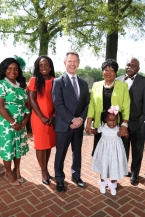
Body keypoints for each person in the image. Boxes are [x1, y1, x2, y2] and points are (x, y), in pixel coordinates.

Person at [52, 51, 90, 192]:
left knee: (77, 153)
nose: (72, 64)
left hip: (78, 126)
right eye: (70, 61)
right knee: (60, 153)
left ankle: (76, 176)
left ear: (78, 64)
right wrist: (72, 119)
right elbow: (58, 105)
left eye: (75, 61)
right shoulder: (58, 82)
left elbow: (87, 103)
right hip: (63, 125)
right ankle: (59, 179)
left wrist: (80, 119)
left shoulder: (84, 83)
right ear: (64, 63)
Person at [0, 57, 30, 186]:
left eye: (16, 69)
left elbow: (26, 105)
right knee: (8, 148)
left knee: (18, 148)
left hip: (20, 123)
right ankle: (8, 172)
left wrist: (24, 121)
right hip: (6, 124)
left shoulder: (21, 86)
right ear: (4, 70)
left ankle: (17, 170)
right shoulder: (0, 85)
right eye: (10, 68)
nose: (13, 71)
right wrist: (13, 122)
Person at [116, 57, 145, 185]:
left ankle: (135, 173)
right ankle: (124, 170)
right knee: (122, 149)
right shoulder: (117, 80)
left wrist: (143, 121)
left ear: (138, 68)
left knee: (137, 150)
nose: (130, 67)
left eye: (134, 65)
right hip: (122, 123)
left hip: (138, 123)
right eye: (128, 64)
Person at [85, 59, 130, 156]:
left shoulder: (123, 86)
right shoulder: (96, 85)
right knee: (101, 155)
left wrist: (124, 125)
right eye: (106, 70)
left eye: (112, 70)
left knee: (115, 156)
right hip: (100, 127)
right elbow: (92, 105)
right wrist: (88, 124)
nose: (108, 73)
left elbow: (126, 106)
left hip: (116, 127)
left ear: (115, 73)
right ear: (102, 72)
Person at [28, 55, 56, 185]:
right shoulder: (34, 80)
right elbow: (31, 100)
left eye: (46, 65)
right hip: (39, 118)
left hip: (51, 117)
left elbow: (57, 100)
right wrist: (42, 117)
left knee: (48, 144)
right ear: (37, 68)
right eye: (41, 65)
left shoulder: (55, 81)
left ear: (50, 67)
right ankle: (43, 171)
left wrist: (53, 116)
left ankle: (45, 167)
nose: (43, 67)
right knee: (40, 145)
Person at [90, 106, 128, 196]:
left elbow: (126, 136)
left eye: (114, 120)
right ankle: (103, 184)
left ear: (117, 120)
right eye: (110, 121)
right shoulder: (102, 127)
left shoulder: (119, 128)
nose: (112, 123)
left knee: (114, 168)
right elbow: (96, 131)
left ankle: (113, 185)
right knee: (104, 166)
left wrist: (125, 134)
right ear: (105, 120)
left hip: (115, 153)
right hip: (104, 152)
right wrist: (91, 130)